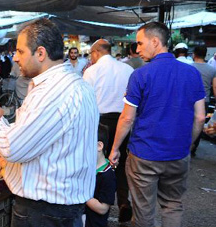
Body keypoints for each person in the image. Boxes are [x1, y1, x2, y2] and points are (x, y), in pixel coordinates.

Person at [0, 18, 99, 226]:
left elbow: (13, 147)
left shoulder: (53, 91)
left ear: (41, 53)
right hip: (62, 208)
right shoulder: (77, 84)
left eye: (20, 51)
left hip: (44, 211)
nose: (15, 58)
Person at [109, 22, 205, 227]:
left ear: (155, 41)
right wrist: (188, 145)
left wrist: (115, 149)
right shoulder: (192, 74)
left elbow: (127, 118)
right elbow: (199, 117)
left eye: (140, 43)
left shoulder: (140, 75)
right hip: (178, 154)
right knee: (173, 205)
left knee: (143, 210)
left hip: (144, 154)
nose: (137, 49)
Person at [82, 39, 134, 222]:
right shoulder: (127, 70)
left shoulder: (92, 71)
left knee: (97, 161)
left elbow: (85, 101)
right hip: (123, 121)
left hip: (100, 122)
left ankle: (97, 199)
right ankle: (123, 202)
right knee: (120, 161)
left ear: (95, 52)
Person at [85, 124, 116, 227]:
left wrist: (81, 193)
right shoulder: (87, 167)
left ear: (99, 146)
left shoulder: (107, 175)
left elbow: (103, 209)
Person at [191, 45, 216, 156]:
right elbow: (214, 87)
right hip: (204, 101)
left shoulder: (189, 67)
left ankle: (185, 145)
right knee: (199, 123)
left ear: (194, 54)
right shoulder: (212, 69)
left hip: (189, 100)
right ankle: (194, 147)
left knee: (188, 122)